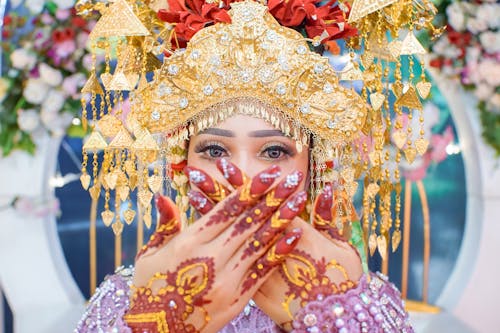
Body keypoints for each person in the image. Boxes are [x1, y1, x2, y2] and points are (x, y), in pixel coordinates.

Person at [74, 0, 433, 331]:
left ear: (315, 165)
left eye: (274, 152)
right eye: (214, 150)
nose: (243, 177)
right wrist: (156, 318)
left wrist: (337, 313)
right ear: (181, 164)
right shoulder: (130, 298)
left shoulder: (360, 294)